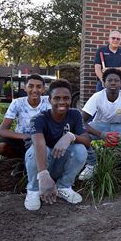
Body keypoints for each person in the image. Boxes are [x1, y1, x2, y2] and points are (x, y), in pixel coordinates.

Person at [24, 79, 89, 211]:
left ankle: (63, 186)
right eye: (57, 98)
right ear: (49, 100)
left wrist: (70, 136)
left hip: (60, 163)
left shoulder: (75, 114)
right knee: (35, 150)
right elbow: (39, 144)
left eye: (66, 98)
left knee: (80, 149)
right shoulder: (39, 118)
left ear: (71, 99)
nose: (61, 102)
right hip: (42, 164)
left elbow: (87, 141)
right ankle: (33, 190)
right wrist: (43, 174)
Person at [78, 69, 121, 181]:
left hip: (120, 126)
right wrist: (102, 134)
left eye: (116, 80)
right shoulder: (97, 97)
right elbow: (81, 122)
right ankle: (92, 165)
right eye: (109, 80)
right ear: (104, 83)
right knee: (81, 134)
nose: (113, 83)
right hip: (100, 125)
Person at [0, 74, 51, 177]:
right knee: (0, 146)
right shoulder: (17, 103)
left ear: (43, 89)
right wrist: (26, 136)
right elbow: (2, 130)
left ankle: (38, 168)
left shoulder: (48, 102)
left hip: (43, 140)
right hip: (23, 139)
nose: (35, 90)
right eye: (31, 86)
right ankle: (22, 162)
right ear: (25, 88)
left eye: (38, 87)